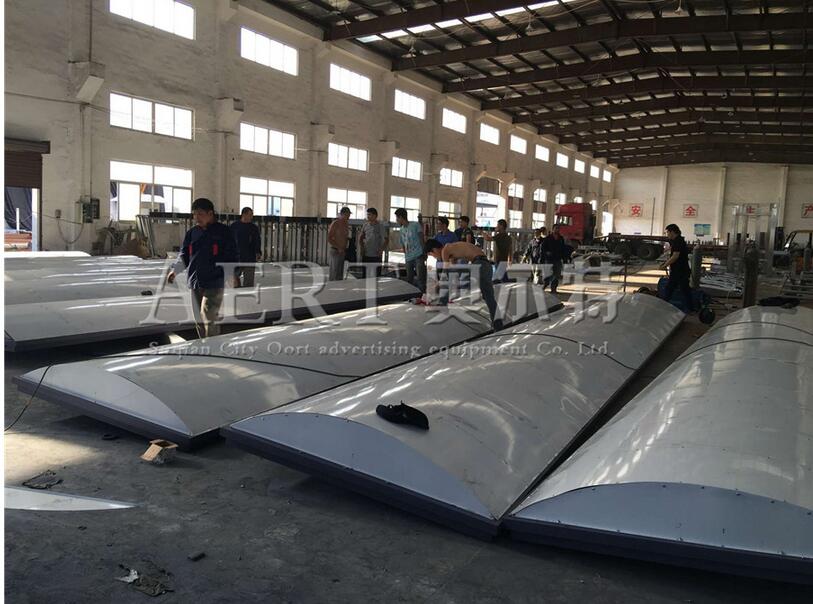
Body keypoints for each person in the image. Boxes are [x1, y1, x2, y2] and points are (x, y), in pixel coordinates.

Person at [168, 197, 237, 338]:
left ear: (210, 214)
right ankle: (203, 344)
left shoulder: (224, 232)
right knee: (198, 319)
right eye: (194, 214)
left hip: (215, 280)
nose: (196, 217)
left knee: (208, 314)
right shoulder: (192, 233)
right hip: (195, 280)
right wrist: (175, 270)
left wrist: (232, 273)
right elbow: (184, 254)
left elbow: (232, 254)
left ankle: (213, 345)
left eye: (200, 214)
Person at [424, 239, 502, 330]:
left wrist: (437, 286)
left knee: (448, 275)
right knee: (489, 298)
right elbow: (453, 270)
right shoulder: (453, 250)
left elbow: (446, 272)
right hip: (486, 266)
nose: (435, 258)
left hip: (479, 264)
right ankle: (498, 326)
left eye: (432, 255)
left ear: (434, 250)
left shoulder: (445, 249)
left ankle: (442, 304)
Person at [660, 223, 693, 310]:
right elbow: (673, 251)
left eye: (667, 232)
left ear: (672, 232)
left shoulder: (678, 241)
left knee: (671, 288)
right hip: (680, 270)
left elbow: (675, 256)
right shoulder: (678, 240)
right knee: (683, 289)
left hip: (679, 271)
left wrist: (665, 265)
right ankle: (690, 308)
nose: (667, 234)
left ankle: (662, 306)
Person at [395, 208, 426, 293]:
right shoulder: (401, 230)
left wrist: (424, 252)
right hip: (409, 258)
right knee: (409, 279)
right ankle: (411, 296)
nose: (396, 220)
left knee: (420, 279)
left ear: (401, 217)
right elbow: (403, 244)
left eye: (397, 218)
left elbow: (421, 239)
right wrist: (406, 255)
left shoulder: (415, 225)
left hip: (418, 255)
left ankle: (422, 295)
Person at [230, 207, 261, 288]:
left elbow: (257, 240)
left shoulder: (254, 228)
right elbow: (229, 240)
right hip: (236, 257)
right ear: (244, 215)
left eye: (252, 215)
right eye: (250, 215)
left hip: (250, 257)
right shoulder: (234, 226)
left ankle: (247, 293)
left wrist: (258, 252)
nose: (251, 217)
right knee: (234, 280)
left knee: (249, 282)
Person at [359, 207, 388, 273]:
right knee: (365, 274)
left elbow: (386, 240)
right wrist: (362, 248)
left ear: (375, 216)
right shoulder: (365, 225)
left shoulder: (380, 226)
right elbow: (361, 238)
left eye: (369, 214)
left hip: (376, 255)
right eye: (367, 214)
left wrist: (381, 250)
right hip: (366, 254)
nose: (368, 216)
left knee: (376, 275)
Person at [542, 224, 569, 295]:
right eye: (556, 228)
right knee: (548, 274)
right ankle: (545, 285)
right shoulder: (548, 238)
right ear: (553, 229)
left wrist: (565, 259)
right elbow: (543, 248)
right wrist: (546, 253)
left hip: (557, 259)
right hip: (549, 259)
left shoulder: (561, 238)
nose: (557, 230)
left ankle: (553, 289)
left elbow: (563, 249)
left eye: (558, 228)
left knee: (557, 274)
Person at [327, 206, 351, 281]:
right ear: (342, 214)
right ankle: (332, 286)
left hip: (342, 251)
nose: (349, 216)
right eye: (347, 215)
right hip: (335, 251)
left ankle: (338, 286)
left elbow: (344, 237)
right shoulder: (335, 223)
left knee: (340, 273)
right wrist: (338, 247)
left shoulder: (346, 224)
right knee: (334, 272)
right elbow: (329, 238)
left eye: (349, 214)